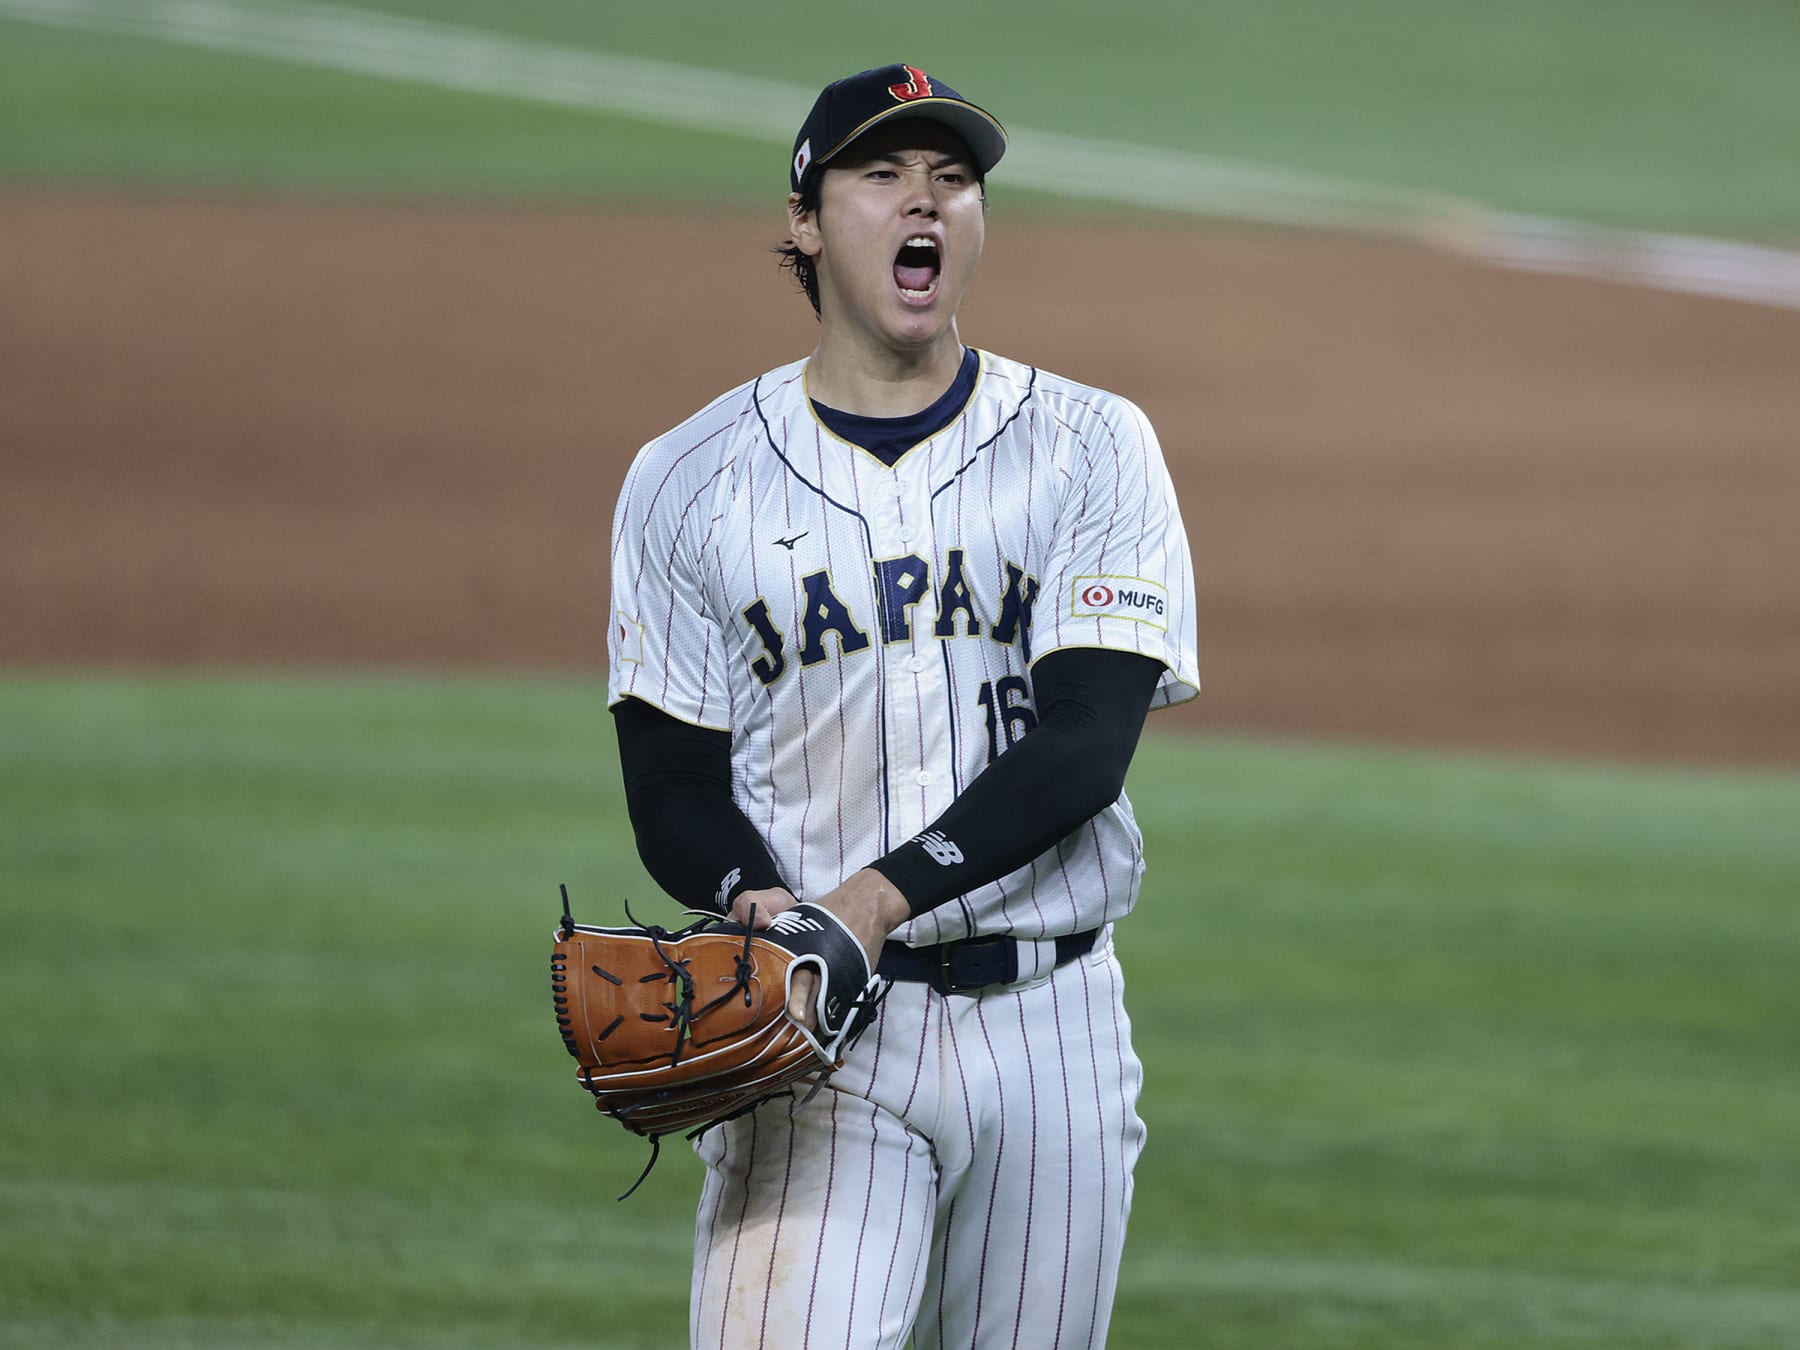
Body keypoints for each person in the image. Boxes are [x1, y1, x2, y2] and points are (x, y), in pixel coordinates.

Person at [606, 62, 1199, 1349]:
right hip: (820, 1043)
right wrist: (758, 906)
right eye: (881, 174)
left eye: (953, 178)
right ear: (807, 220)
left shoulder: (1094, 446)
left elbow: (1088, 745)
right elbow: (670, 783)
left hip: (1053, 1032)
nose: (923, 200)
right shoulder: (688, 481)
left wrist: (862, 907)